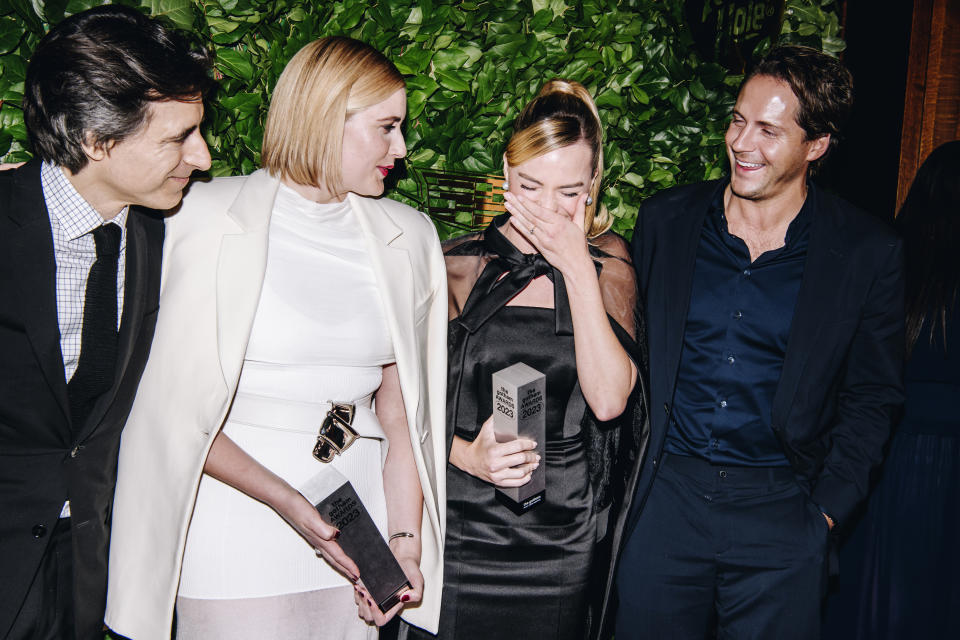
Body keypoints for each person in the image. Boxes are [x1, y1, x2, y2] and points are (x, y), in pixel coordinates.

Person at [104, 36, 447, 640]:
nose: (400, 148)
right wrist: (290, 503)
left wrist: (404, 544)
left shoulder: (409, 236)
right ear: (324, 117)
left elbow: (402, 417)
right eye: (386, 127)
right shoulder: (196, 219)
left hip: (358, 524)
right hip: (236, 524)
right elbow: (166, 412)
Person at [617, 45, 904, 639]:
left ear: (815, 146)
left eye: (769, 130)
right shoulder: (666, 222)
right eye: (738, 119)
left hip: (783, 508)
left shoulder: (865, 253)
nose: (742, 142)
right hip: (665, 498)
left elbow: (873, 395)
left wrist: (824, 513)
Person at [405, 79, 647, 640]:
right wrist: (463, 455)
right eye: (529, 186)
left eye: (568, 192)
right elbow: (399, 405)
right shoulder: (456, 265)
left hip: (561, 536)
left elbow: (611, 400)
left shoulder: (608, 264)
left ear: (592, 187)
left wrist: (577, 269)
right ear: (505, 174)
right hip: (463, 527)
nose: (545, 209)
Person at [0, 6, 213, 639]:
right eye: (178, 137)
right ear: (97, 140)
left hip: (91, 576)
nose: (201, 157)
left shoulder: (164, 230)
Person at [822, 139, 960, 640]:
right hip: (923, 455)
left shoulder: (888, 259)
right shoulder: (888, 260)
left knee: (875, 592)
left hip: (883, 451)